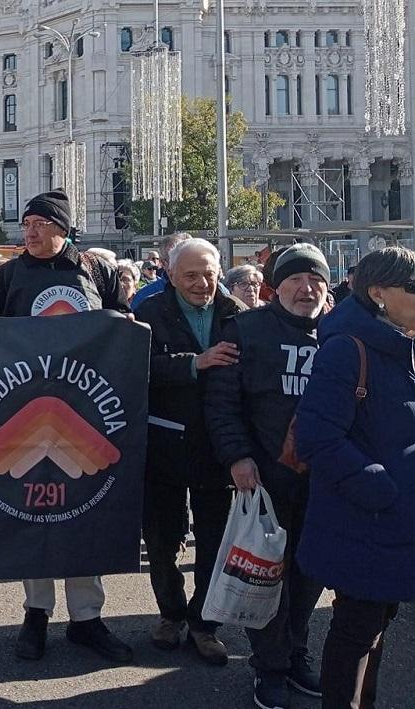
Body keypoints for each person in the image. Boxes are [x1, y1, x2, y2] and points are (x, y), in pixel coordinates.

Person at [0, 190, 132, 663]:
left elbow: (122, 329)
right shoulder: (7, 275)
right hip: (26, 408)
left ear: (61, 229)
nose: (28, 231)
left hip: (85, 409)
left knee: (84, 507)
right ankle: (36, 613)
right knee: (33, 509)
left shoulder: (96, 270)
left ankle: (87, 617)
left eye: (39, 224)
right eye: (26, 223)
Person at [205, 243, 331, 709]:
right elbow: (222, 403)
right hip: (265, 482)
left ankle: (296, 653)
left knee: (310, 575)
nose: (306, 288)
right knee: (267, 578)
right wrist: (238, 457)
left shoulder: (338, 333)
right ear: (276, 287)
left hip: (325, 483)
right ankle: (270, 666)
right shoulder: (246, 330)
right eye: (296, 279)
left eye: (315, 279)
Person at [294, 246, 415, 709]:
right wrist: (380, 487)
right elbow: (317, 438)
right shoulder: (348, 349)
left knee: (375, 627)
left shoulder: (401, 344)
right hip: (364, 520)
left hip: (393, 522)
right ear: (378, 292)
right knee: (356, 632)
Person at [135, 238, 243, 667]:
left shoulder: (237, 314)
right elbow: (136, 369)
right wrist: (194, 363)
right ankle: (171, 614)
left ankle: (204, 624)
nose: (201, 284)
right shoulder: (149, 312)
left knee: (214, 541)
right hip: (163, 445)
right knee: (161, 539)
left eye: (209, 274)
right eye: (191, 276)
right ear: (171, 275)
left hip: (217, 446)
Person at [130, 233, 192, 309]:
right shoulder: (144, 297)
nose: (187, 265)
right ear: (163, 263)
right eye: (177, 259)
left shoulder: (202, 290)